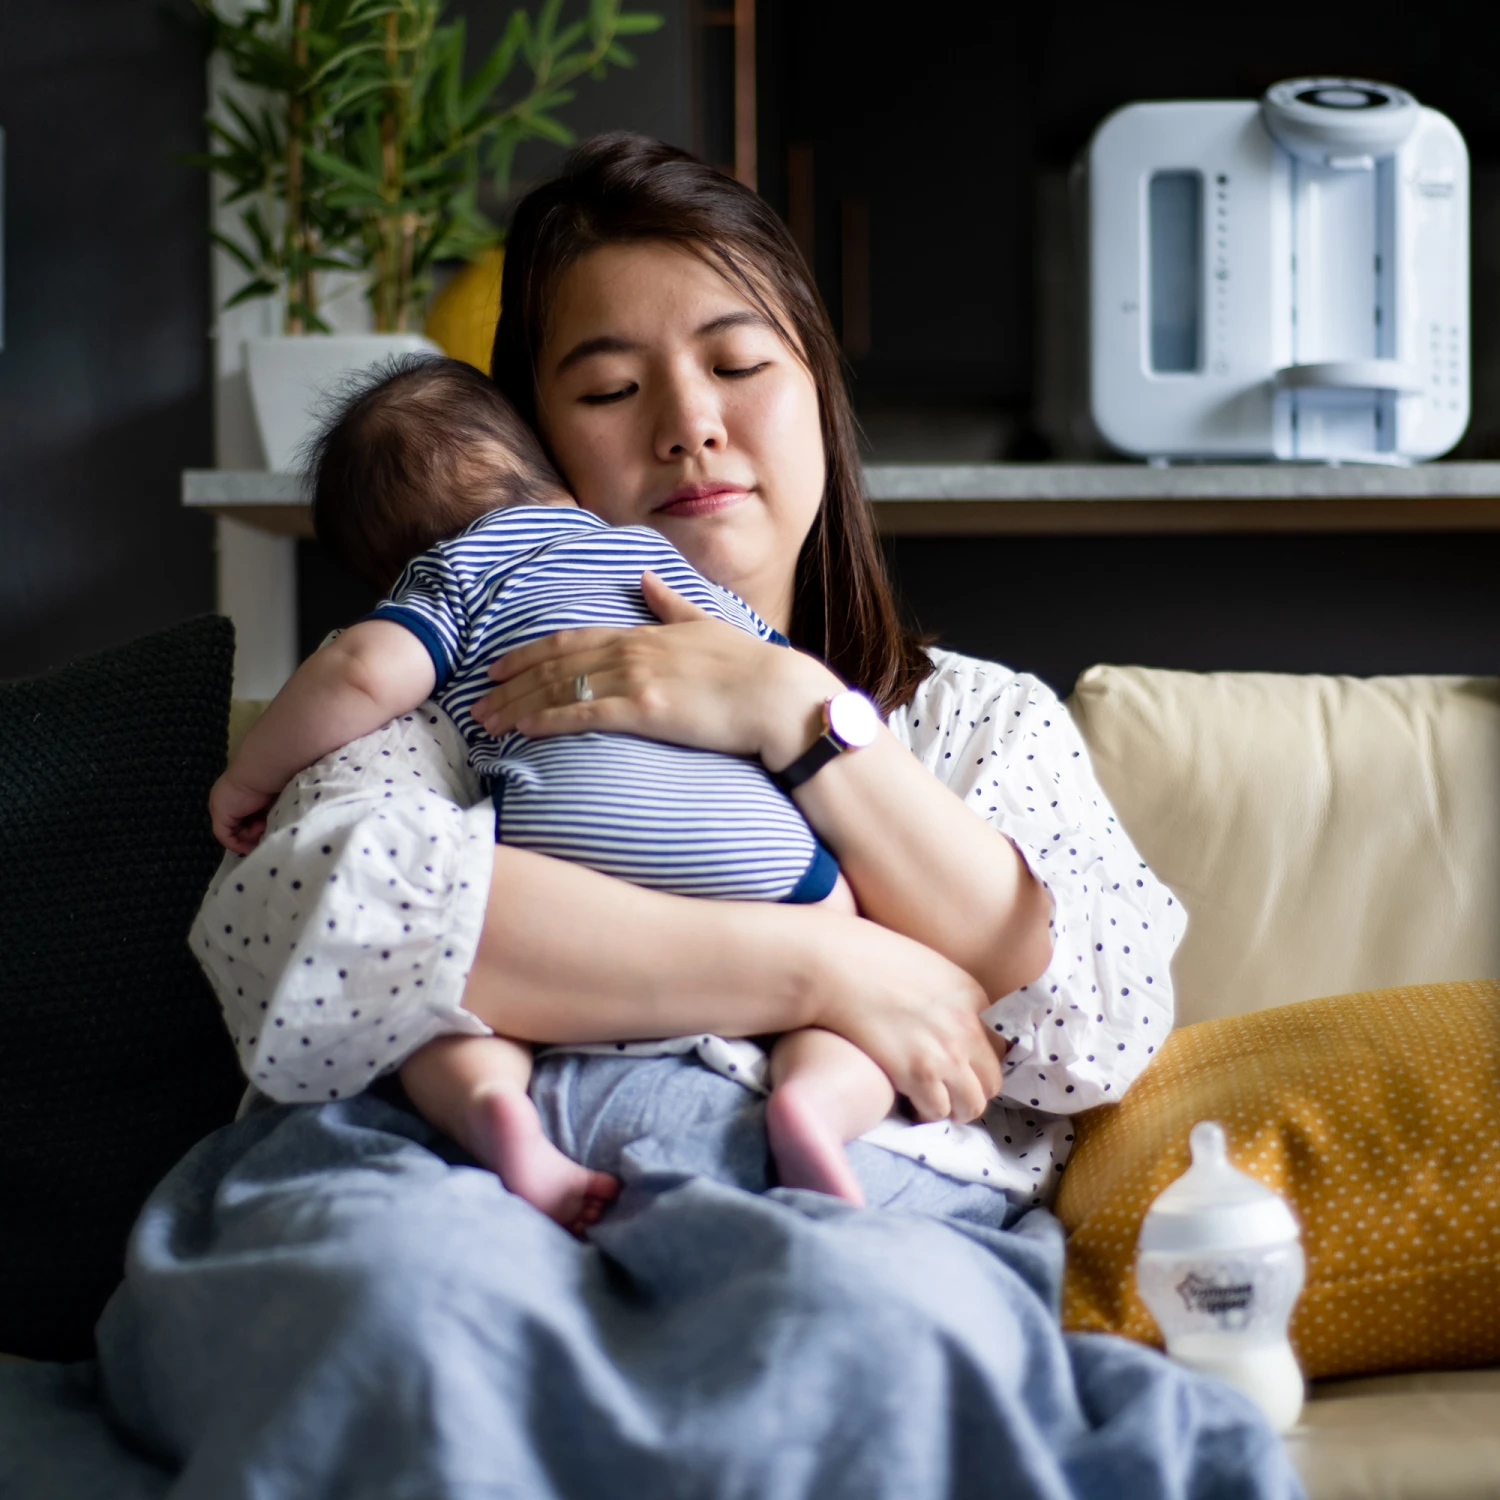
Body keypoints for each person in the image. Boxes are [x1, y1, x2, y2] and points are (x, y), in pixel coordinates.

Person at [98, 134, 1303, 1500]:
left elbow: (1091, 1019)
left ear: (819, 398)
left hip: (839, 1198)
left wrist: (794, 713)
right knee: (410, 1311)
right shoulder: (454, 682)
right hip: (447, 1176)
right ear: (532, 448)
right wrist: (828, 967)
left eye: (738, 365)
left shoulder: (975, 721)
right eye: (610, 389)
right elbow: (327, 925)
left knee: (860, 1335)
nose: (688, 424)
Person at [208, 354, 917, 1227]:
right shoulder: (654, 556)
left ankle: (491, 1105)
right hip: (757, 852)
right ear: (552, 473)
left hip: (567, 852)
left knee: (438, 992)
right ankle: (815, 1106)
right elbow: (780, 673)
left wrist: (249, 775)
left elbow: (361, 671)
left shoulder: (452, 571)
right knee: (856, 978)